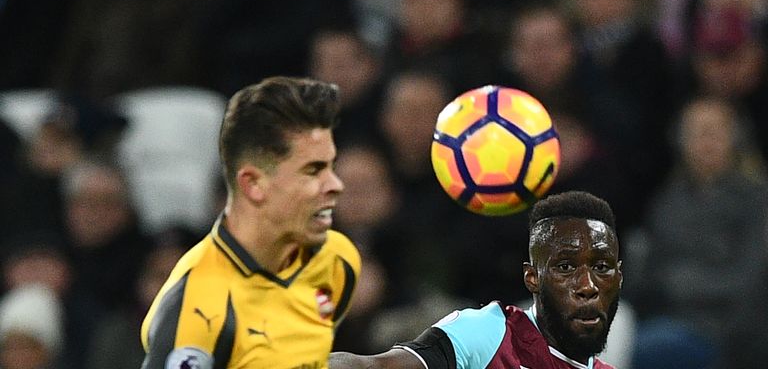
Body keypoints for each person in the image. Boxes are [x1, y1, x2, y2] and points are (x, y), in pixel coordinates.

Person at [140, 77, 361, 368]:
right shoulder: (198, 313)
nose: (335, 184)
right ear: (254, 184)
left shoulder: (337, 261)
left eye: (331, 167)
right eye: (312, 171)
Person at [330, 190, 622, 369]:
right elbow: (372, 367)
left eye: (602, 268)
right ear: (532, 278)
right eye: (566, 267)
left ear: (619, 276)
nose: (587, 286)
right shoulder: (491, 334)